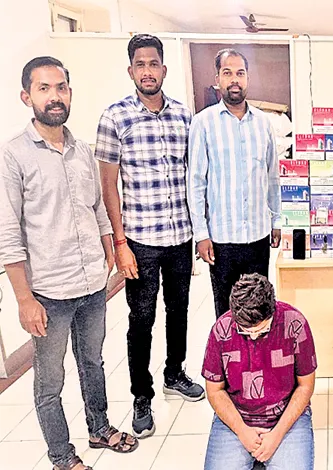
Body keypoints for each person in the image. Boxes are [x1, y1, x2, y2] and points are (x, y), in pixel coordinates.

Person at [0, 56, 138, 470]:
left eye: (60, 87)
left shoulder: (82, 151)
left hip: (92, 284)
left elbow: (97, 209)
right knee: (50, 380)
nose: (54, 96)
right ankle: (61, 455)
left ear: (70, 93)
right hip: (49, 292)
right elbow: (8, 233)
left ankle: (99, 428)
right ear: (26, 96)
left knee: (93, 362)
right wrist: (24, 299)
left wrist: (109, 251)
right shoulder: (13, 156)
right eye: (43, 88)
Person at [95, 34, 204, 440]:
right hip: (139, 240)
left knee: (180, 311)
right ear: (131, 71)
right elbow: (108, 186)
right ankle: (142, 395)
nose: (147, 71)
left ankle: (174, 372)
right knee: (141, 319)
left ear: (163, 68)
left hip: (179, 236)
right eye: (140, 64)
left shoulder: (184, 117)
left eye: (153, 63)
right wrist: (119, 243)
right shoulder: (115, 117)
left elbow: (194, 175)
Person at [188, 49, 281, 320]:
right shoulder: (203, 123)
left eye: (240, 73)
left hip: (258, 237)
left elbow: (272, 177)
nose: (234, 79)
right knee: (226, 312)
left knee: (259, 310)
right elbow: (196, 182)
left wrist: (276, 220)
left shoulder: (263, 123)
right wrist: (201, 234)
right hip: (222, 240)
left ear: (248, 78)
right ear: (217, 78)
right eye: (227, 72)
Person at [202, 273, 317, 469]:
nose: (254, 337)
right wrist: (241, 430)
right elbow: (214, 390)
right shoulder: (221, 329)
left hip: (285, 415)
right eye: (245, 331)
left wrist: (277, 435)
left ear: (272, 311)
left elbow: (305, 385)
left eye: (261, 330)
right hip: (237, 415)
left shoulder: (294, 323)